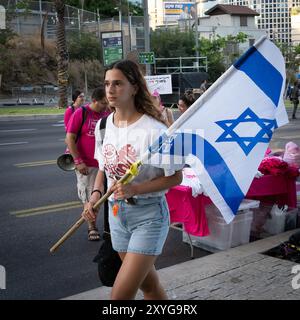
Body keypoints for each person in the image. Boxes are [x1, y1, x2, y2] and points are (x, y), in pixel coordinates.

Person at [82, 60, 182, 300]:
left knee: (119, 298)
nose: (110, 90)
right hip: (116, 217)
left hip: (149, 217)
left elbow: (175, 177)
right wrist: (94, 197)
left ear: (135, 87)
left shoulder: (156, 130)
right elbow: (104, 170)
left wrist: (134, 189)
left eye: (118, 83)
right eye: (107, 84)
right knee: (148, 287)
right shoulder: (104, 126)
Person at [66, 87, 110, 241]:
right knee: (90, 196)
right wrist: (79, 162)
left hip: (104, 162)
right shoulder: (81, 113)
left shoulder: (107, 113)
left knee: (105, 196)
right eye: (103, 103)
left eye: (107, 103)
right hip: (86, 164)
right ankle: (92, 226)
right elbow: (69, 138)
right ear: (94, 100)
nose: (105, 106)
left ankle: (109, 225)